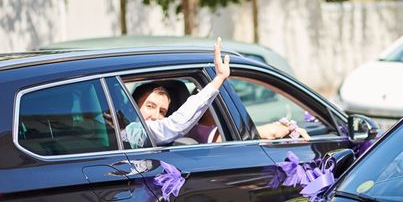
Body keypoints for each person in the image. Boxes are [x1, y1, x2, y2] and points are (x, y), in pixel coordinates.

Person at [128, 37, 309, 146]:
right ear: (132, 106)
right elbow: (175, 125)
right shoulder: (132, 132)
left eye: (162, 112)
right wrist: (218, 79)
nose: (156, 116)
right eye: (149, 106)